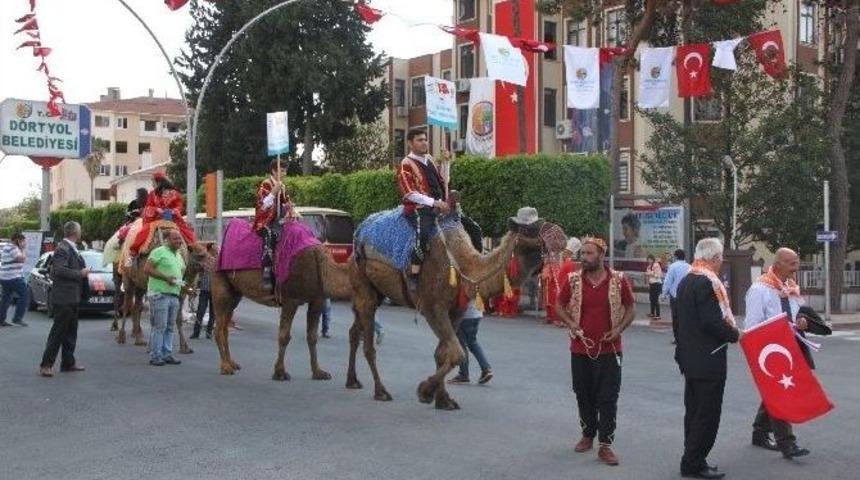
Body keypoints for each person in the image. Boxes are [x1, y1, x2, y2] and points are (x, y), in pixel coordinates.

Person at [556, 237, 636, 466]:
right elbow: (559, 305)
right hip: (580, 349)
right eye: (582, 254)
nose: (584, 258)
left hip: (611, 349)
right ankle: (588, 434)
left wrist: (619, 329)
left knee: (608, 398)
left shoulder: (618, 280)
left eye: (589, 254)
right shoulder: (573, 281)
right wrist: (571, 323)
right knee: (583, 393)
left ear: (602, 256)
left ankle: (606, 444)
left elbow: (630, 308)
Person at [675, 238, 742, 479]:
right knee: (707, 414)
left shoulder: (686, 280)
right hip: (708, 359)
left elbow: (679, 321)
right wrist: (734, 334)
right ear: (714, 258)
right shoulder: (706, 282)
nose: (721, 262)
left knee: (693, 412)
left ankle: (692, 457)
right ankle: (694, 462)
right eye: (721, 258)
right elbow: (711, 321)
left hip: (691, 359)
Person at [744, 248, 812, 459]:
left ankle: (760, 432)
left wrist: (801, 322)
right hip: (770, 350)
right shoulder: (759, 289)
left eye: (796, 263)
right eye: (792, 264)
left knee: (775, 391)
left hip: (792, 347)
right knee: (780, 392)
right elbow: (751, 325)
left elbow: (797, 314)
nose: (796, 268)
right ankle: (787, 443)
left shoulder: (790, 286)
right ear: (778, 264)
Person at [396, 128, 450, 275]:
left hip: (440, 205)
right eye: (419, 140)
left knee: (471, 227)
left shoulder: (431, 159)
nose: (424, 143)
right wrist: (434, 203)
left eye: (425, 139)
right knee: (424, 234)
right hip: (419, 209)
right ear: (410, 143)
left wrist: (446, 163)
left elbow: (444, 181)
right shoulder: (405, 164)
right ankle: (414, 272)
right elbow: (409, 193)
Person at [39, 222, 88, 377]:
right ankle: (46, 365)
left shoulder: (71, 248)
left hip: (72, 297)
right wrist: (80, 273)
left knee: (71, 332)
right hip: (64, 298)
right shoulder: (63, 248)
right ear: (75, 232)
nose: (81, 232)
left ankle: (68, 362)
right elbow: (59, 270)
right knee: (58, 333)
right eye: (80, 229)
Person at [128, 172, 196, 264]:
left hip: (172, 220)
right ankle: (133, 253)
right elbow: (148, 207)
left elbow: (180, 206)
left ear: (158, 182)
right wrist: (156, 209)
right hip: (157, 220)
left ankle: (195, 255)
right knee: (143, 232)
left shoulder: (174, 193)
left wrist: (173, 211)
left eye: (153, 182)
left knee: (188, 234)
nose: (152, 184)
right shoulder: (152, 194)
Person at [144, 229, 186, 366]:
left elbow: (177, 277)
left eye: (179, 239)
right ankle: (156, 355)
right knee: (160, 326)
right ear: (167, 240)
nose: (178, 241)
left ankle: (167, 353)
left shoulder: (179, 256)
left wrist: (187, 288)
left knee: (170, 327)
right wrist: (165, 278)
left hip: (174, 295)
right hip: (160, 294)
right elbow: (147, 269)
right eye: (175, 239)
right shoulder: (158, 251)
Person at [254, 159, 292, 288]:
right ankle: (267, 268)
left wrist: (290, 210)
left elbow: (286, 202)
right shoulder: (266, 184)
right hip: (264, 222)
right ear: (274, 171)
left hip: (278, 222)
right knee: (269, 234)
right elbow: (262, 205)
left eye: (285, 170)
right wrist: (273, 192)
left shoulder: (282, 186)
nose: (284, 173)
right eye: (282, 170)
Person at [0, 232, 29, 327]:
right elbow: (21, 259)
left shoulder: (7, 247)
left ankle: (1, 319)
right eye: (23, 241)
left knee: (6, 298)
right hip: (13, 277)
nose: (24, 243)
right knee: (25, 295)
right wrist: (23, 249)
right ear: (18, 240)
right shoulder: (13, 248)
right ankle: (17, 318)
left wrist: (21, 248)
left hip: (5, 277)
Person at [663, 249, 691, 343]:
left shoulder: (673, 267)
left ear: (676, 257)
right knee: (686, 317)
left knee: (675, 318)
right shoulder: (689, 267)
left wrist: (664, 294)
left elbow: (668, 281)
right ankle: (686, 337)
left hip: (675, 296)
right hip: (687, 296)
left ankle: (677, 338)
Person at [191, 244, 217, 340]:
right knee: (201, 311)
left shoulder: (216, 260)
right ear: (209, 250)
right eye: (214, 249)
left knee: (213, 313)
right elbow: (198, 274)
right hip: (204, 290)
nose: (216, 251)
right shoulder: (204, 261)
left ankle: (209, 332)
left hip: (214, 291)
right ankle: (196, 332)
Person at [646, 254, 664, 320]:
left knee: (656, 299)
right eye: (648, 260)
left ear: (653, 259)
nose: (649, 261)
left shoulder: (656, 265)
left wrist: (650, 273)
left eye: (650, 259)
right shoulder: (648, 267)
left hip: (657, 284)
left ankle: (658, 315)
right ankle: (652, 313)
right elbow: (648, 275)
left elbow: (658, 275)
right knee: (651, 299)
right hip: (651, 284)